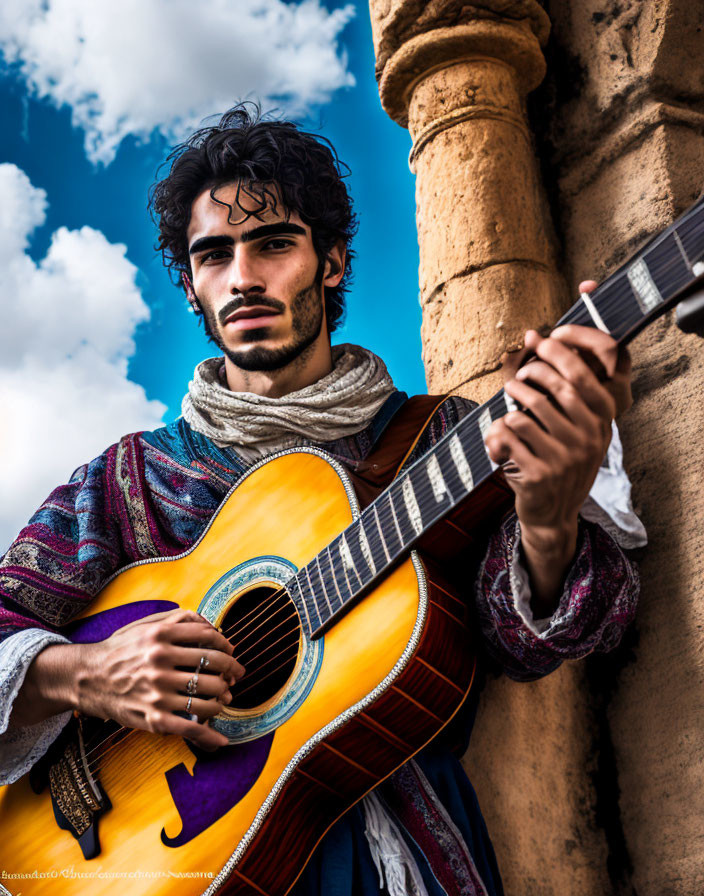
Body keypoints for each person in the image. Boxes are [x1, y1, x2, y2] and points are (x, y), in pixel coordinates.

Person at [0, 105, 642, 896]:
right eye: (214, 256)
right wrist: (87, 674)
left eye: (273, 244)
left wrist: (548, 520)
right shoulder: (128, 479)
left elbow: (539, 639)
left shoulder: (441, 440)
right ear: (194, 285)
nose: (243, 278)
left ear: (331, 262)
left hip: (397, 860)